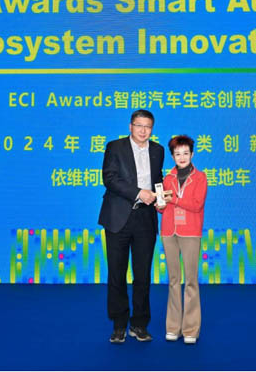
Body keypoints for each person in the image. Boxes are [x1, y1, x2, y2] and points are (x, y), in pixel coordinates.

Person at [98, 109, 164, 344]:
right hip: (118, 217)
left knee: (143, 274)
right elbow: (109, 178)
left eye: (148, 127)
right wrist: (138, 193)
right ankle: (119, 325)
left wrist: (160, 199)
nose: (143, 131)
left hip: (145, 218)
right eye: (139, 125)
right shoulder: (115, 147)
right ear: (130, 126)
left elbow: (157, 179)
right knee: (117, 273)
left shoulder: (158, 150)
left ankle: (139, 324)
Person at [156, 135, 207, 344]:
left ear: (192, 154)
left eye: (186, 153)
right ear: (172, 156)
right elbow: (163, 207)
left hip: (191, 232)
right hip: (169, 232)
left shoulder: (200, 177)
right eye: (177, 154)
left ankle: (191, 329)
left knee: (191, 281)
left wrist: (174, 199)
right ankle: (172, 327)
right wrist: (160, 205)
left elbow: (196, 204)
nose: (182, 157)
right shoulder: (167, 178)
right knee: (173, 281)